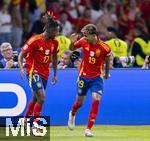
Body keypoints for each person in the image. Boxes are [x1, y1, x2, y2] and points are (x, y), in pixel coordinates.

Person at [18, 12, 59, 134]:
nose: (57, 33)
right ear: (49, 30)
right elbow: (21, 55)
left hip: (45, 73)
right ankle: (35, 125)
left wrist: (55, 74)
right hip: (33, 71)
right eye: (55, 31)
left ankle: (24, 121)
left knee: (36, 99)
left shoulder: (54, 42)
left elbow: (55, 57)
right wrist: (21, 68)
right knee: (42, 98)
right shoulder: (35, 40)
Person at [67, 24, 112, 137]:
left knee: (96, 99)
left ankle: (88, 129)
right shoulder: (83, 41)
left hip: (97, 77)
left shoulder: (104, 47)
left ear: (94, 35)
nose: (84, 37)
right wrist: (71, 42)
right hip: (83, 76)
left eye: (86, 35)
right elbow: (71, 49)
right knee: (79, 103)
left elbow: (107, 61)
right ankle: (72, 114)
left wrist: (106, 74)